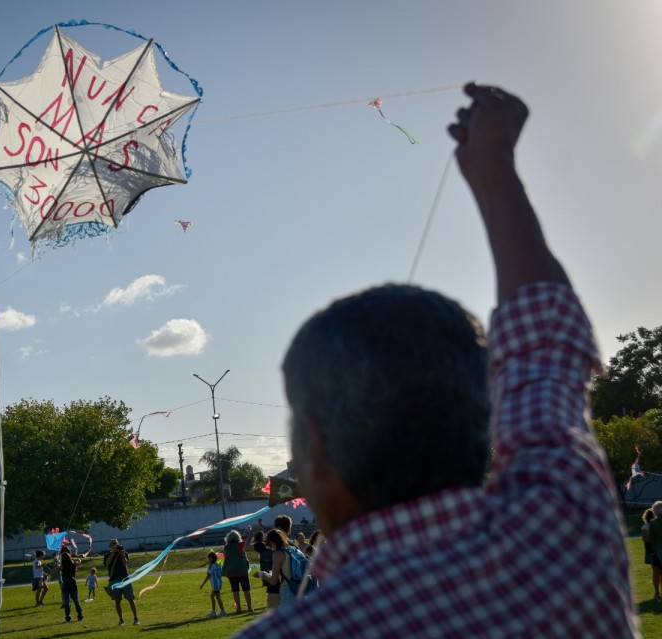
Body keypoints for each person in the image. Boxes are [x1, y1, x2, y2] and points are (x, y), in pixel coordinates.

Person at [234, 84, 639, 638]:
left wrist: (491, 165)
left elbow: (546, 343)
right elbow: (544, 342)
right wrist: (494, 168)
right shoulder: (560, 526)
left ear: (317, 449)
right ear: (480, 422)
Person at [255, 529, 293, 609]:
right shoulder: (291, 550)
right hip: (297, 588)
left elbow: (273, 581)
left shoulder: (277, 554)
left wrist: (262, 574)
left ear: (272, 542)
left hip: (286, 590)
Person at [104, 538, 139, 626]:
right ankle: (121, 620)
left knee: (130, 599)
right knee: (117, 600)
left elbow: (125, 563)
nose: (114, 546)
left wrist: (122, 555)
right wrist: (112, 554)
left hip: (125, 579)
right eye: (112, 545)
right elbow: (107, 564)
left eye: (115, 544)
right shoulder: (107, 555)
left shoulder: (123, 553)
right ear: (110, 546)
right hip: (114, 579)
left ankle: (136, 618)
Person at [221, 530, 253, 613]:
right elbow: (249, 543)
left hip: (231, 571)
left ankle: (238, 608)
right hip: (242, 570)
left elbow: (225, 558)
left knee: (235, 590)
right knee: (246, 589)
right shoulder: (241, 545)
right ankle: (249, 607)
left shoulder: (226, 547)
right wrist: (251, 532)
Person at [252, 530, 279, 609]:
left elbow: (247, 547)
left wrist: (261, 574)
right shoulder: (283, 551)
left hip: (274, 585)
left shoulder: (267, 552)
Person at [58, 546, 84, 622]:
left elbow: (56, 569)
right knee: (76, 600)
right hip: (72, 583)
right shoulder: (73, 564)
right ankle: (80, 615)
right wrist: (76, 559)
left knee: (66, 601)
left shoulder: (62, 566)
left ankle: (68, 616)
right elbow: (79, 561)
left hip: (65, 583)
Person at [642, 508, 661, 601]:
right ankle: (657, 592)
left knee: (656, 572)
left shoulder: (647, 525)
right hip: (653, 550)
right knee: (656, 571)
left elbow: (645, 539)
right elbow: (646, 539)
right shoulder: (647, 526)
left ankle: (657, 592)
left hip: (653, 550)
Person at [199, 551, 226, 617]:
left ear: (211, 558)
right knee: (212, 596)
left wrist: (202, 584)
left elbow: (208, 575)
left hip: (215, 584)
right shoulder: (218, 564)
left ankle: (223, 611)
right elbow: (222, 573)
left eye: (208, 558)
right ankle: (213, 611)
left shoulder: (211, 566)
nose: (208, 560)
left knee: (218, 597)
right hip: (219, 583)